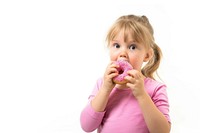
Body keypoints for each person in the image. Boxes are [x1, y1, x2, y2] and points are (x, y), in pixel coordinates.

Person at [80, 14, 171, 133]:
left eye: (132, 47)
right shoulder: (101, 84)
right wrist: (105, 90)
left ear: (147, 55)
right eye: (116, 45)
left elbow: (163, 131)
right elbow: (87, 126)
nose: (122, 53)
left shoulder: (155, 89)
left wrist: (142, 95)